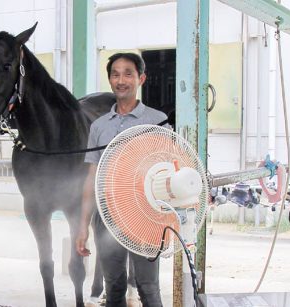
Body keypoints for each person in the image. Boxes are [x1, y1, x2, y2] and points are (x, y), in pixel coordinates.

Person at [76, 53, 168, 307]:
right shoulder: (99, 127)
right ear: (109, 80)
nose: (121, 80)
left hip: (145, 217)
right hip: (108, 218)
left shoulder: (157, 121)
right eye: (115, 74)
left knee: (148, 287)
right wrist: (83, 225)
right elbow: (91, 179)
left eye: (128, 73)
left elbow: (169, 173)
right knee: (113, 286)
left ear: (142, 78)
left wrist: (168, 222)